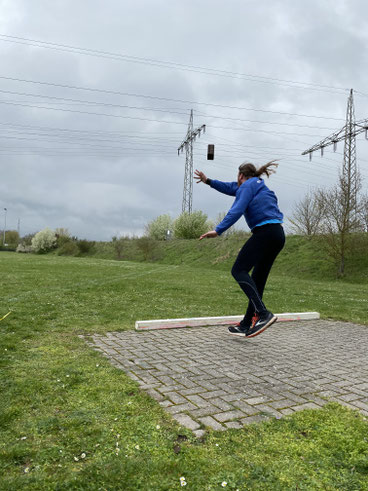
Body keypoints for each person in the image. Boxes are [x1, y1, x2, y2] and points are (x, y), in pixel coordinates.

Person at [194, 161, 285, 338]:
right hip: (278, 234)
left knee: (238, 270)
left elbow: (237, 209)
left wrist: (218, 230)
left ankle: (263, 313)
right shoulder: (256, 185)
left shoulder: (246, 187)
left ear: (241, 176)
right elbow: (229, 187)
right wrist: (209, 181)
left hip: (264, 232)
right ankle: (246, 324)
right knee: (257, 281)